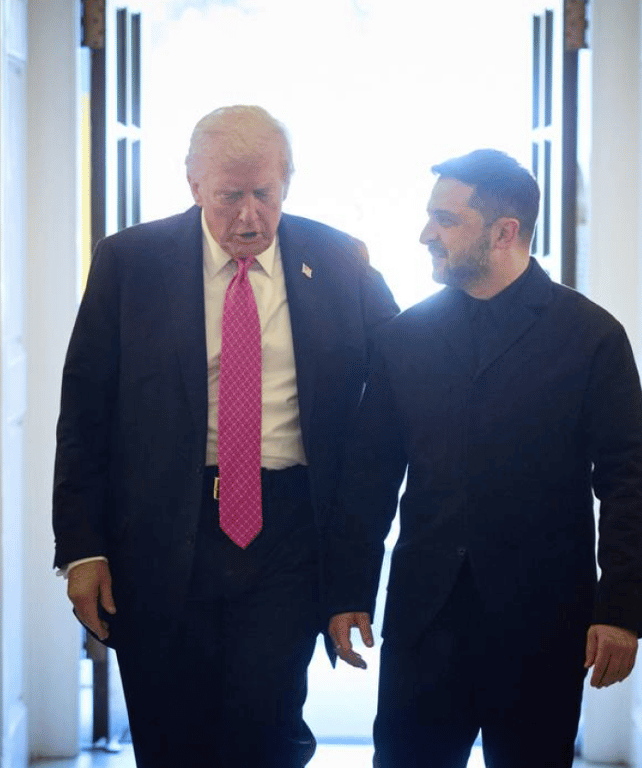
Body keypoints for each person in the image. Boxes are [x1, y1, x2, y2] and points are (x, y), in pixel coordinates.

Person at [53, 104, 399, 767]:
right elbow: (85, 413)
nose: (248, 217)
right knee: (170, 734)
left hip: (287, 532)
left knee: (265, 728)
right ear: (194, 185)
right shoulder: (130, 261)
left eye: (263, 194)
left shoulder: (338, 259)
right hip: (160, 532)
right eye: (228, 196)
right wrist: (82, 549)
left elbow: (408, 363)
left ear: (288, 180)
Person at [324, 149, 642, 767]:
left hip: (545, 621)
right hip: (424, 619)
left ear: (505, 232)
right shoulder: (403, 338)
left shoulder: (592, 337)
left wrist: (621, 611)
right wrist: (347, 591)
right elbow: (369, 479)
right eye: (430, 216)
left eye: (446, 219)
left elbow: (627, 485)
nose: (426, 234)